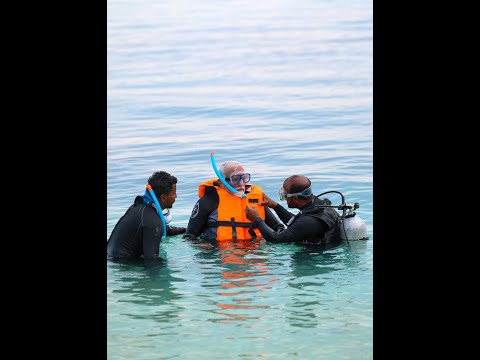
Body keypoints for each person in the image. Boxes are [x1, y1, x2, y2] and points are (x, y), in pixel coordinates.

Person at [183, 161, 285, 242]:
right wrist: (203, 247)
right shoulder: (209, 200)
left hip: (254, 254)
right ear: (221, 182)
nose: (241, 183)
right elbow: (189, 237)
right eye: (235, 179)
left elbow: (279, 228)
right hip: (219, 255)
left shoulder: (255, 199)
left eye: (244, 178)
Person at [107, 171, 186, 264]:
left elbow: (159, 229)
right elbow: (152, 261)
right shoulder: (153, 220)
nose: (176, 196)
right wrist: (170, 263)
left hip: (111, 256)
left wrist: (184, 230)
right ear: (163, 197)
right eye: (174, 193)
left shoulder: (140, 208)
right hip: (121, 264)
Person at [244, 175, 340, 245]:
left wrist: (257, 220)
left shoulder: (307, 222)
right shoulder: (322, 206)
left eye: (285, 195)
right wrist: (275, 206)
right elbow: (296, 223)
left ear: (295, 198)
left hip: (314, 261)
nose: (284, 198)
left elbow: (275, 239)